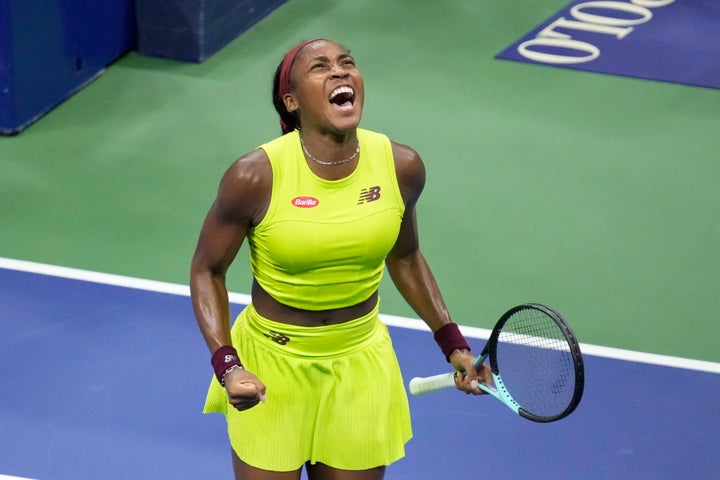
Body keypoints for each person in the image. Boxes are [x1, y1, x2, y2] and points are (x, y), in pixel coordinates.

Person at [190, 38, 492, 480]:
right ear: (291, 101)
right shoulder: (254, 176)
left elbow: (405, 257)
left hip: (360, 364)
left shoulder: (401, 166)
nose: (340, 72)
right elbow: (207, 270)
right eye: (320, 67)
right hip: (273, 365)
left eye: (347, 63)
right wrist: (228, 366)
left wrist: (455, 346)